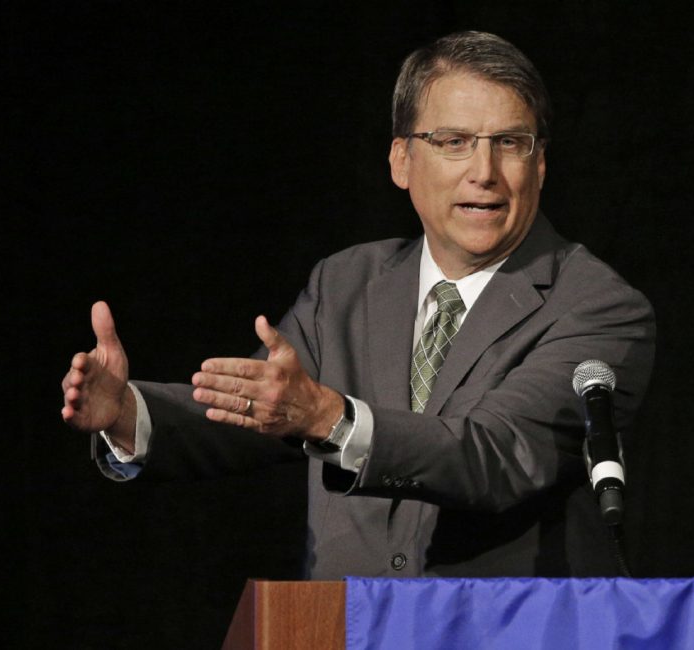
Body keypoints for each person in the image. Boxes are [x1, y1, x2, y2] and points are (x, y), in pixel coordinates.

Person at [62, 31, 655, 578]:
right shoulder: (346, 284)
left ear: (541, 163)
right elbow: (261, 412)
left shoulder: (597, 307)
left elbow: (495, 455)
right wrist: (127, 411)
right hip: (347, 628)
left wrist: (330, 418)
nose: (485, 172)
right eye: (453, 142)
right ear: (401, 160)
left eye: (510, 144)